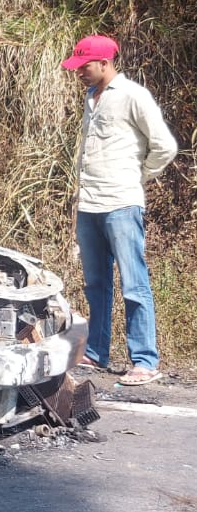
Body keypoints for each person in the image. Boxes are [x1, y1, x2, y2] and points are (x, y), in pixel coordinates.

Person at [61, 34, 177, 386]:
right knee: (96, 284)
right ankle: (97, 352)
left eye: (85, 66)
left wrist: (137, 177)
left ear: (105, 63)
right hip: (90, 205)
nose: (79, 72)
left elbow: (165, 146)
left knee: (134, 284)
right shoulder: (90, 97)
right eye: (77, 66)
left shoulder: (133, 96)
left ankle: (144, 360)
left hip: (122, 204)